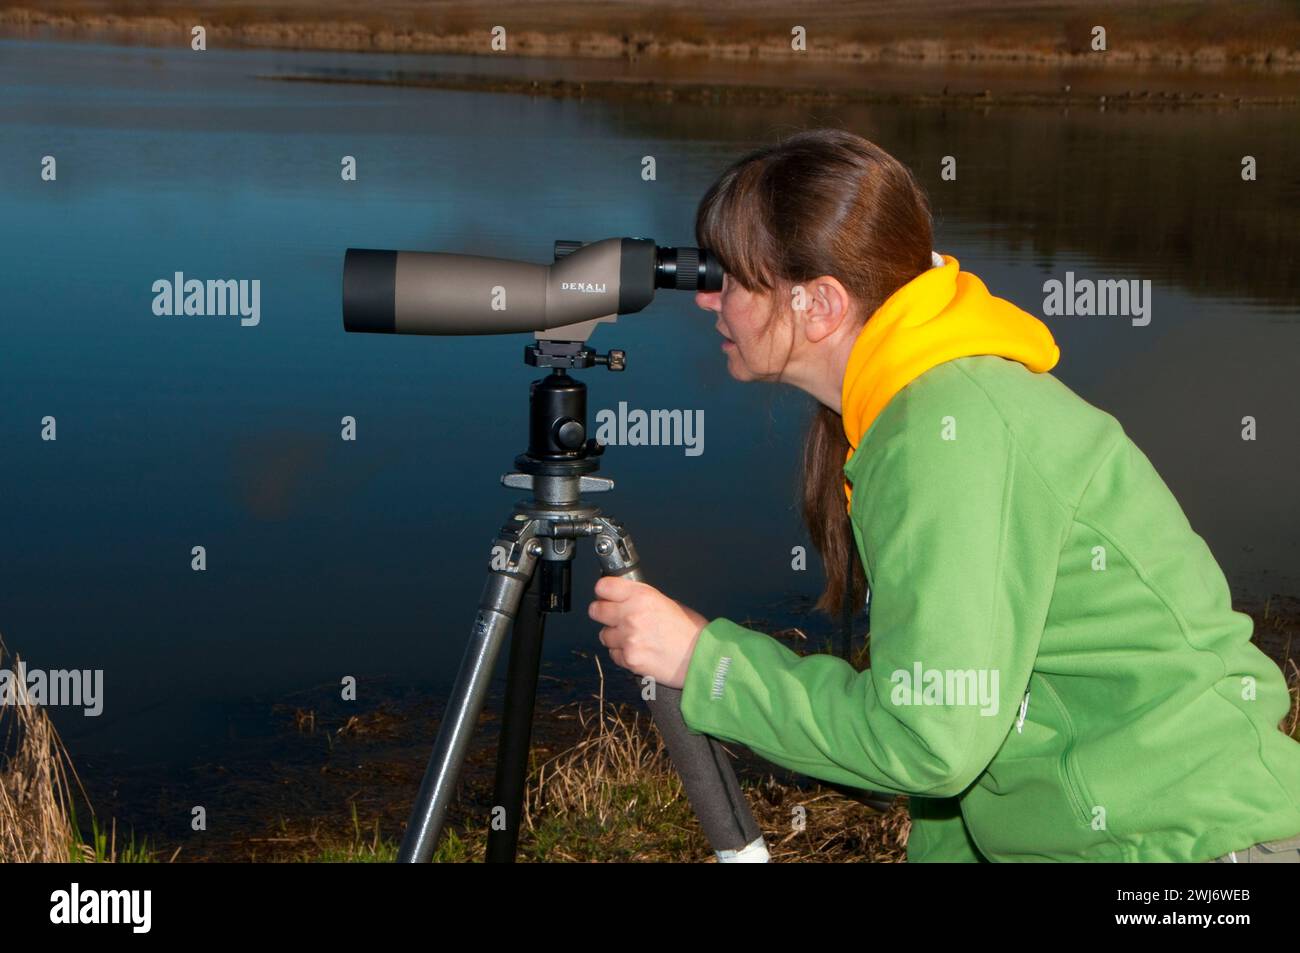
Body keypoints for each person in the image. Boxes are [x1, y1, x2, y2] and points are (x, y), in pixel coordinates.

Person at [587, 127, 1300, 862]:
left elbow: (930, 738)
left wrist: (706, 662)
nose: (710, 300)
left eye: (731, 276)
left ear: (820, 305)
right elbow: (959, 766)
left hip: (1197, 852)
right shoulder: (915, 407)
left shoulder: (944, 432)